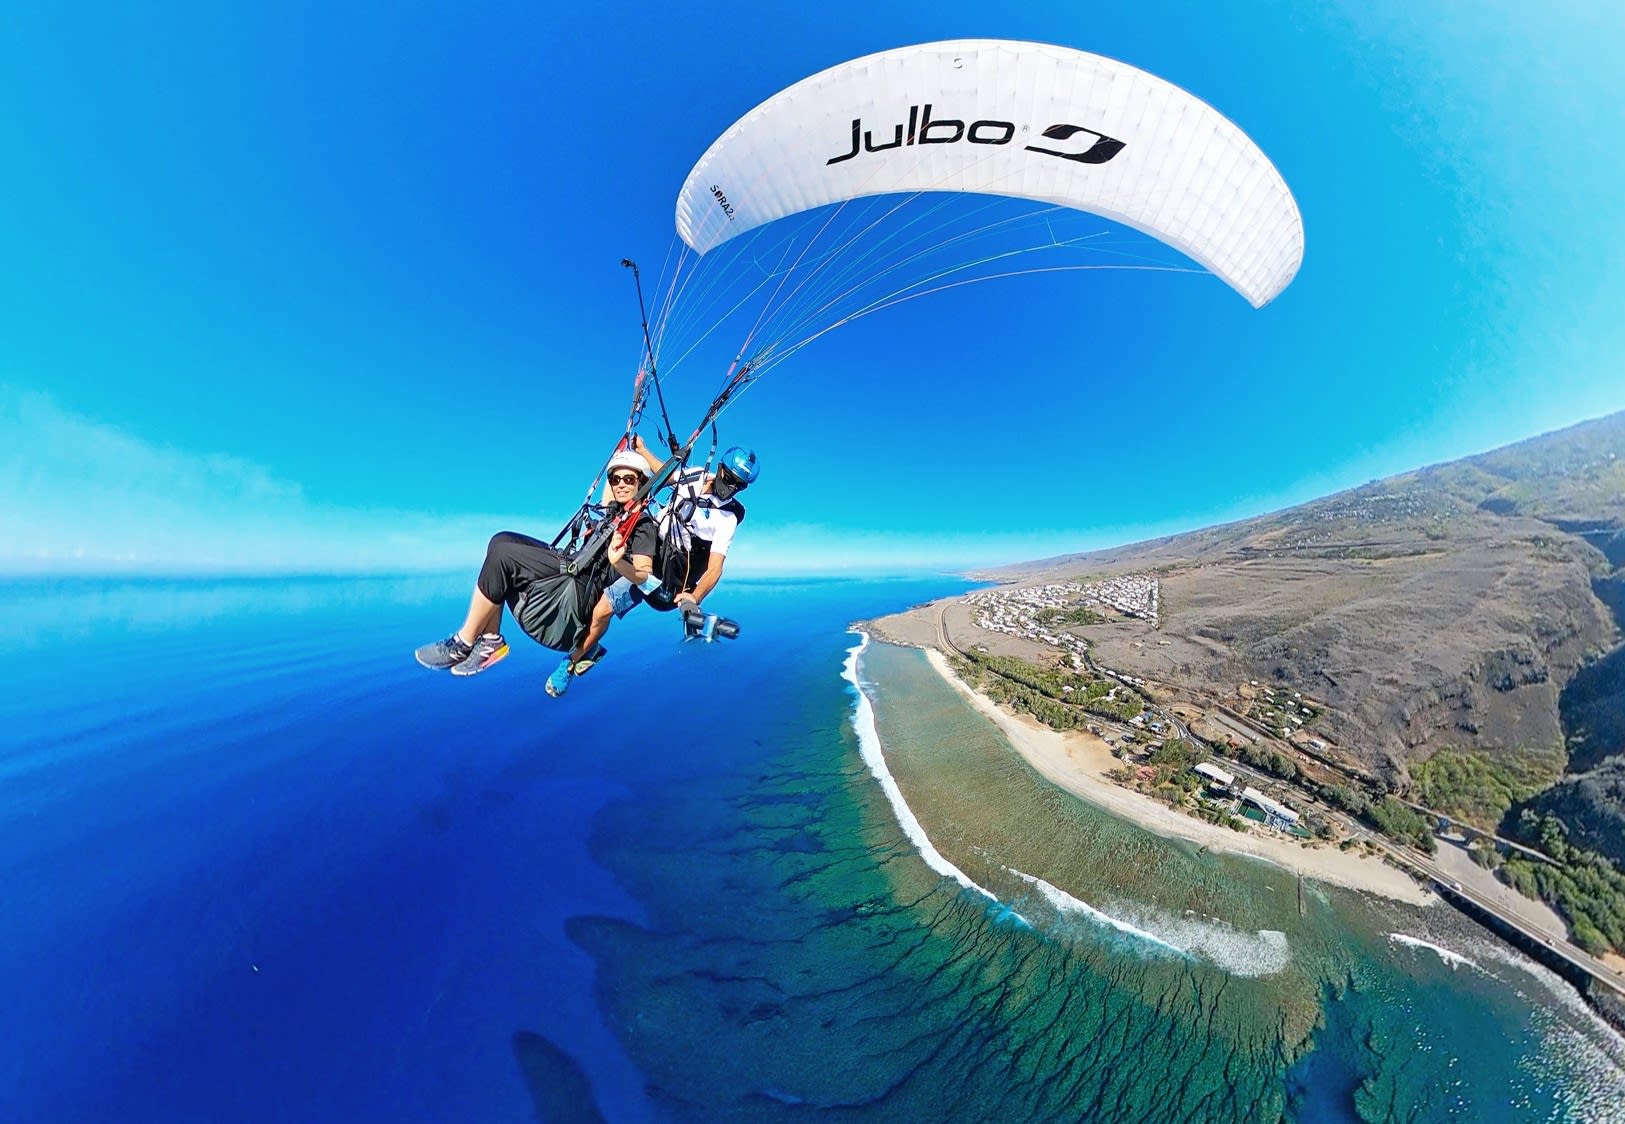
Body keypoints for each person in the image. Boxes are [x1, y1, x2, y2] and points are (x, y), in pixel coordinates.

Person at [543, 436, 759, 698]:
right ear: (721, 468)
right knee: (600, 546)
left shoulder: (726, 518)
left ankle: (571, 662)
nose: (732, 487)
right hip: (646, 538)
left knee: (602, 611)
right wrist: (642, 449)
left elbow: (715, 568)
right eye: (730, 478)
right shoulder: (697, 476)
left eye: (739, 485)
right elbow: (666, 474)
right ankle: (575, 621)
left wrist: (695, 596)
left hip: (664, 571)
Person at [414, 449, 658, 678]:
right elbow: (610, 490)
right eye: (616, 480)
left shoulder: (642, 525)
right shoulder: (616, 511)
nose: (621, 485)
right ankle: (490, 638)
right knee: (500, 540)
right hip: (571, 564)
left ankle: (463, 642)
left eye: (629, 479)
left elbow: (644, 576)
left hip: (580, 585)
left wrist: (618, 562)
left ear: (641, 483)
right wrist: (625, 451)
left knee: (503, 555)